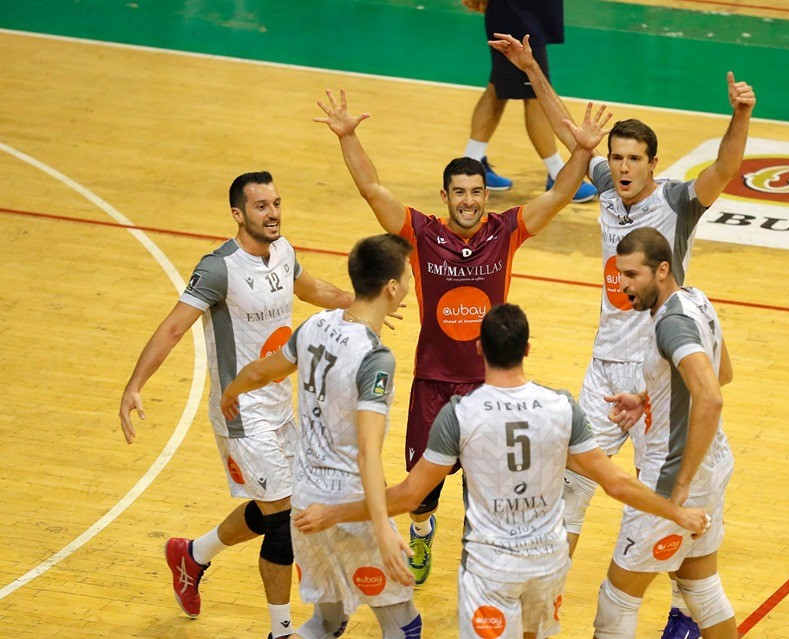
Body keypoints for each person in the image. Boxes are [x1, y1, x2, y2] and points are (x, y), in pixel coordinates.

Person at [490, 32, 754, 637]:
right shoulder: (607, 188)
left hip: (662, 369)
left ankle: (678, 603)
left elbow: (725, 168)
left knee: (670, 488)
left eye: (635, 159)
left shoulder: (679, 202)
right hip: (608, 369)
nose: (624, 167)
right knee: (572, 486)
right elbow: (569, 131)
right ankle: (543, 605)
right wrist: (530, 68)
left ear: (654, 163)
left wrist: (739, 116)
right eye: (618, 157)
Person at [314, 88, 611, 585]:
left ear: (486, 196)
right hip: (433, 381)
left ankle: (483, 561)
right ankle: (422, 531)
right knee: (420, 495)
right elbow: (372, 189)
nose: (468, 201)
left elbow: (560, 195)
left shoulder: (507, 231)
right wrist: (347, 137)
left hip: (487, 386)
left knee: (486, 487)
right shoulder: (420, 233)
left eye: (476, 192)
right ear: (445, 196)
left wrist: (582, 150)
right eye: (459, 192)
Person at [292, 303, 710, 639]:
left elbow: (407, 496)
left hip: (491, 569)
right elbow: (617, 484)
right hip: (546, 563)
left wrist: (334, 512)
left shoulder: (460, 415)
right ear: (527, 349)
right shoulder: (562, 407)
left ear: (479, 348)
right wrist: (677, 513)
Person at [118, 171, 353, 639]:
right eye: (262, 206)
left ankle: (193, 555)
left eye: (277, 203)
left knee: (281, 508)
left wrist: (359, 302)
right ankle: (280, 631)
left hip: (281, 407)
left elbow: (311, 290)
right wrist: (134, 385)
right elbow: (173, 328)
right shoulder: (218, 268)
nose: (273, 213)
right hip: (241, 415)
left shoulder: (283, 252)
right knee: (285, 521)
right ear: (238, 214)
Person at [220, 234, 422, 639]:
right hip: (349, 506)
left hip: (305, 500)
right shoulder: (375, 358)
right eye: (408, 276)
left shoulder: (315, 325)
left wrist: (231, 392)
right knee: (404, 627)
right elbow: (367, 452)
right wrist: (382, 528)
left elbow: (262, 370)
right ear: (392, 288)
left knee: (326, 623)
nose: (410, 283)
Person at [595, 227, 736, 639]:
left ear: (661, 270)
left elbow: (711, 397)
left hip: (673, 477)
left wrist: (682, 483)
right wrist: (650, 396)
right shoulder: (696, 299)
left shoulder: (670, 324)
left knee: (617, 598)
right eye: (619, 274)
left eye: (632, 275)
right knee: (701, 588)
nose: (623, 285)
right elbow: (723, 371)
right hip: (716, 462)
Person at [461, 0, 597, 202]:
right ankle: (558, 174)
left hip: (529, 9)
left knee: (498, 86)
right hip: (516, 11)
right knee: (536, 93)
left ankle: (471, 164)